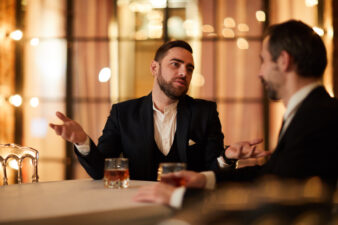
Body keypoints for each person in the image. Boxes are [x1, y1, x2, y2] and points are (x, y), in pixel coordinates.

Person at [134, 20, 338, 206]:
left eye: (264, 61)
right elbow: (269, 173)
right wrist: (206, 179)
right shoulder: (311, 110)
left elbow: (281, 194)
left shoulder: (317, 117)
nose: (260, 73)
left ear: (284, 61)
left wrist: (179, 197)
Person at [50, 40, 267, 181]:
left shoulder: (205, 112)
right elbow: (102, 171)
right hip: (135, 210)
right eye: (176, 64)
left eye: (189, 68)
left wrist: (227, 157)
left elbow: (211, 170)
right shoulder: (123, 113)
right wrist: (82, 142)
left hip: (189, 210)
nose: (184, 72)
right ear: (155, 68)